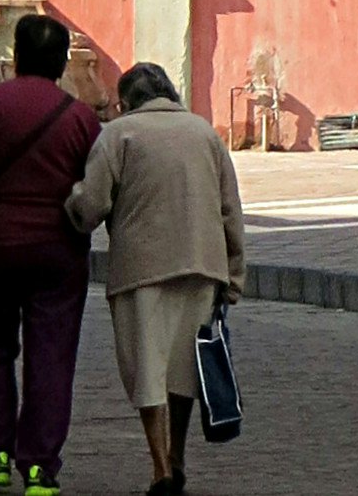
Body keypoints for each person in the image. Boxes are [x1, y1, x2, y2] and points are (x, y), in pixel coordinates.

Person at [0, 14, 105, 496]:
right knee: (51, 355)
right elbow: (94, 188)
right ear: (60, 63)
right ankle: (39, 468)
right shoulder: (79, 117)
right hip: (57, 252)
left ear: (16, 56)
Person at [64, 61, 248, 492]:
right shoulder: (205, 133)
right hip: (203, 265)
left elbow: (90, 205)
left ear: (125, 102)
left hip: (141, 270)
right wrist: (234, 273)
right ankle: (178, 457)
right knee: (186, 370)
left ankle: (160, 466)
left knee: (147, 369)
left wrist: (70, 203)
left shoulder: (118, 135)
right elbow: (230, 209)